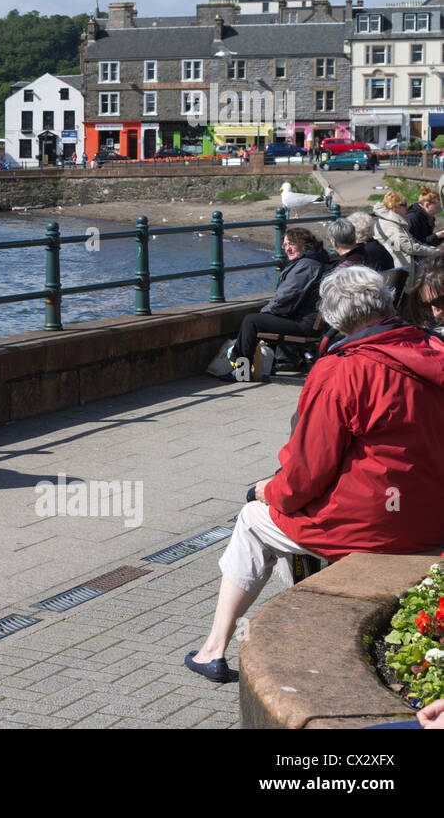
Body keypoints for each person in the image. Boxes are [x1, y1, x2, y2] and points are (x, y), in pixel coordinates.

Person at [187, 266, 444, 683]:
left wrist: (266, 491)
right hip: (431, 520)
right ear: (387, 304)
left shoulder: (343, 369)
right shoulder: (434, 350)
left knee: (254, 520)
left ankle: (214, 648)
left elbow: (306, 474)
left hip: (374, 527)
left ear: (337, 318)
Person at [226, 228, 328, 378]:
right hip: (306, 318)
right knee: (258, 320)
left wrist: (265, 312)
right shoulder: (314, 261)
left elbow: (287, 297)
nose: (287, 249)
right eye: (285, 245)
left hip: (304, 323)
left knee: (251, 321)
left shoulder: (306, 265)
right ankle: (260, 364)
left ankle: (241, 371)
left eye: (292, 244)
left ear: (304, 244)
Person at [373, 190, 439, 289]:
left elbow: (406, 244)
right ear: (395, 207)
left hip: (401, 267)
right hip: (400, 270)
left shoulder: (392, 222)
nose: (407, 208)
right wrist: (435, 251)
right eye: (404, 205)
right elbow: (409, 247)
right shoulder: (391, 226)